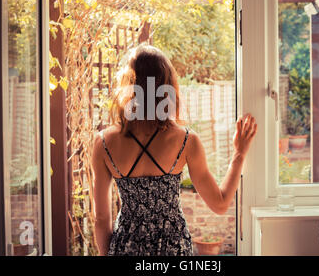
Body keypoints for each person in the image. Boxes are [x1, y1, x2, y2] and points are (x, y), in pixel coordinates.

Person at [91, 44, 257, 256]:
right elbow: (220, 204)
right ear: (168, 86)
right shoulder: (186, 141)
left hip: (126, 248)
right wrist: (239, 153)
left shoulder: (103, 143)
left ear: (128, 85)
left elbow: (101, 219)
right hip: (173, 248)